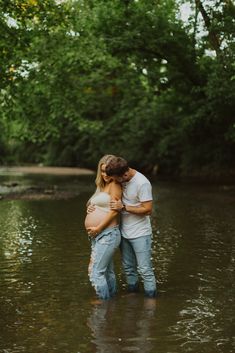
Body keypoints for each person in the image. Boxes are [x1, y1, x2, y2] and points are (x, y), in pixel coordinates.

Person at [105, 156, 157, 298]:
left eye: (117, 178)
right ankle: (133, 297)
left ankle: (150, 301)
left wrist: (124, 207)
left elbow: (148, 209)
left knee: (145, 269)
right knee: (128, 269)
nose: (115, 181)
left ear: (125, 174)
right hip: (124, 232)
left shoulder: (142, 183)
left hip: (141, 233)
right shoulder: (121, 178)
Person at [85, 155, 122, 300]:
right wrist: (89, 209)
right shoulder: (102, 186)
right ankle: (110, 302)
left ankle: (103, 304)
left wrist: (98, 228)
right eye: (102, 171)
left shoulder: (115, 185)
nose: (105, 175)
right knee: (107, 272)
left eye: (108, 171)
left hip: (107, 234)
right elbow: (99, 205)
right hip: (98, 235)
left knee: (95, 272)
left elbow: (114, 211)